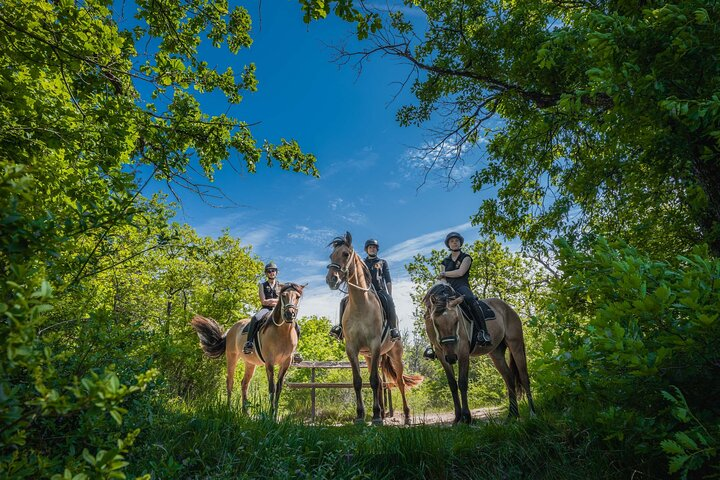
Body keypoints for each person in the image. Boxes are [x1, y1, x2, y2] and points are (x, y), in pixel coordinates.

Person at [424, 232, 492, 360]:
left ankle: (483, 332)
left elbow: (461, 272)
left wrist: (444, 273)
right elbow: (443, 280)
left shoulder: (466, 257)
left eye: (456, 241)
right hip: (448, 290)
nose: (454, 243)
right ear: (448, 244)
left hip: (462, 287)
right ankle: (432, 346)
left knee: (471, 300)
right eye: (452, 241)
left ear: (460, 243)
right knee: (431, 309)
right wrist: (442, 287)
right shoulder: (444, 261)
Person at [329, 238, 401, 341]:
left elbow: (388, 280)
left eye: (374, 247)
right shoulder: (362, 262)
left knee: (389, 301)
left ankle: (393, 329)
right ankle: (340, 328)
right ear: (366, 249)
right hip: (364, 291)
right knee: (343, 301)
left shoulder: (382, 262)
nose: (372, 249)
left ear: (377, 249)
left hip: (379, 290)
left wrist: (389, 293)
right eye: (370, 247)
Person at [243, 262, 281, 355]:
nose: (271, 272)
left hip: (278, 309)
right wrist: (275, 300)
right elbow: (263, 301)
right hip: (266, 309)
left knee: (293, 322)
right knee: (255, 318)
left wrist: (271, 300)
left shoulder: (281, 286)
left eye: (273, 271)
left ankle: (294, 349)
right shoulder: (262, 285)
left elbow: (281, 301)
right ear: (266, 273)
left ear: (276, 272)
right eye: (269, 271)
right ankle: (249, 343)